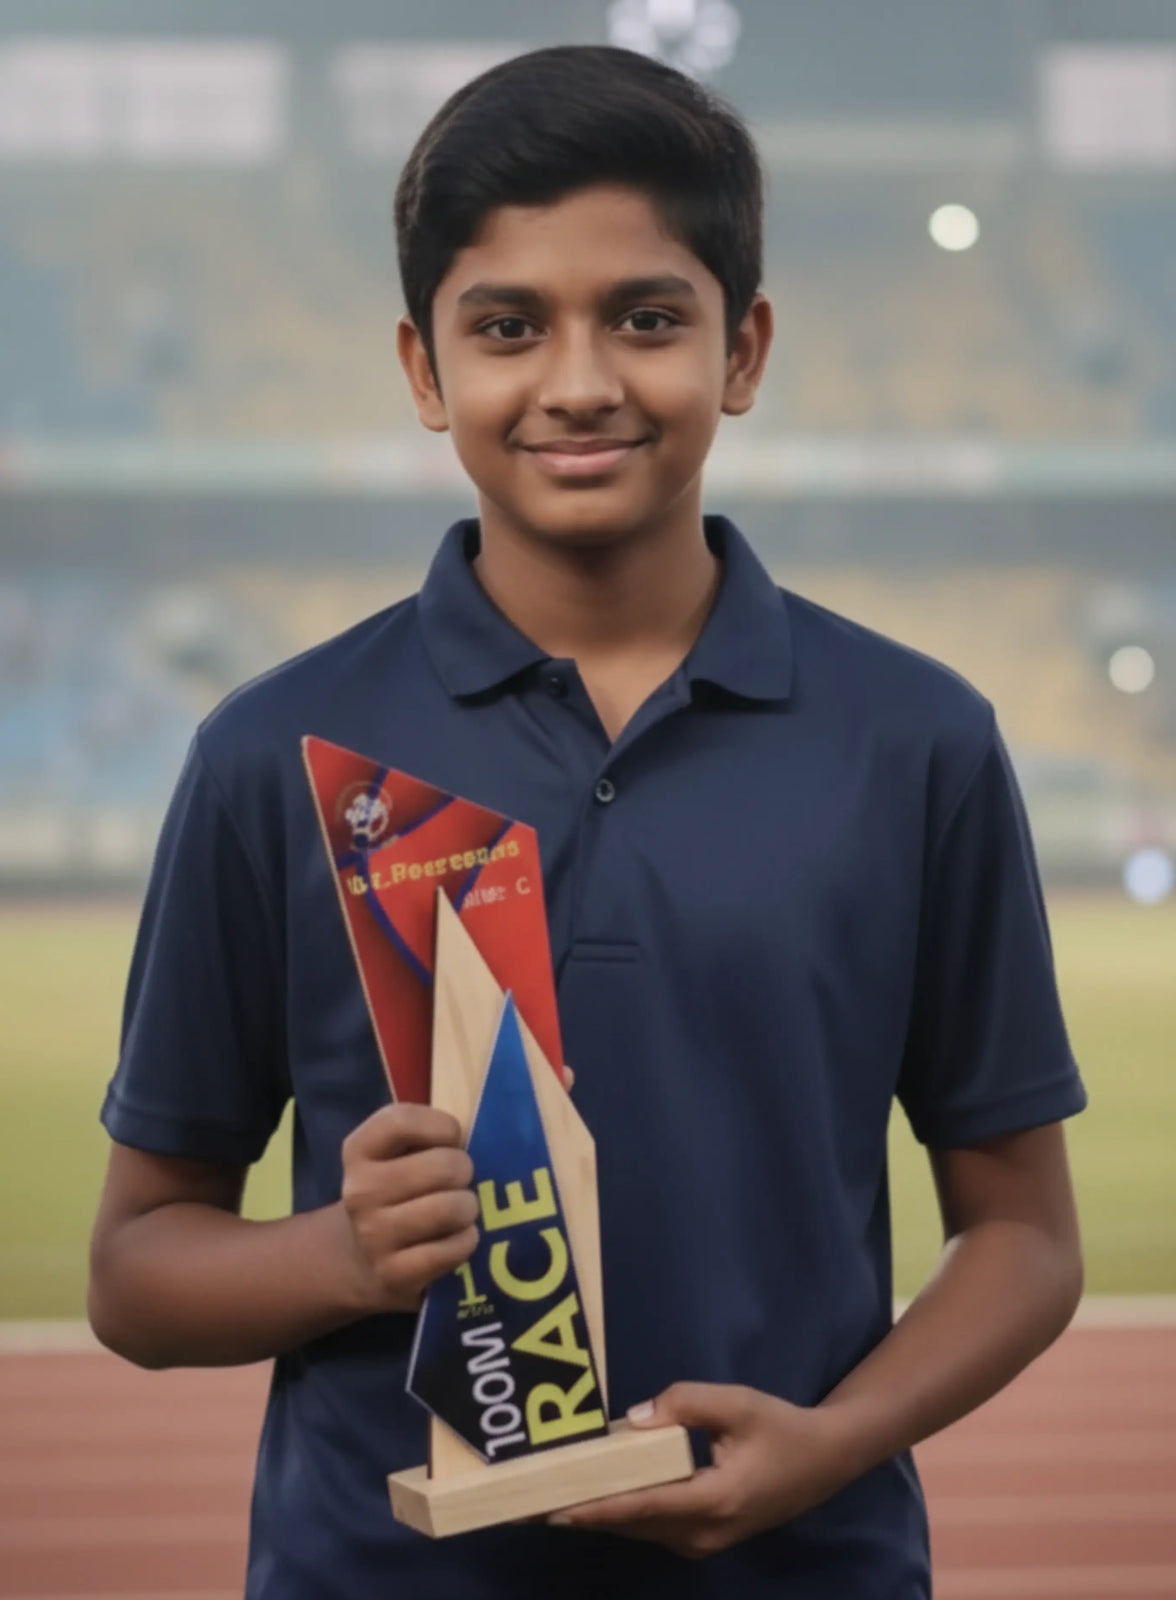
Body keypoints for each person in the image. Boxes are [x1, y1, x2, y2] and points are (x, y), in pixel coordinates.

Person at [88, 44, 1087, 1599]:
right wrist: (339, 1258)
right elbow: (137, 1272)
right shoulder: (270, 750)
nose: (578, 380)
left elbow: (1025, 1238)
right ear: (424, 371)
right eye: (506, 326)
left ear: (741, 349)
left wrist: (832, 1444)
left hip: (810, 1571)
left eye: (645, 317)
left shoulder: (920, 741)